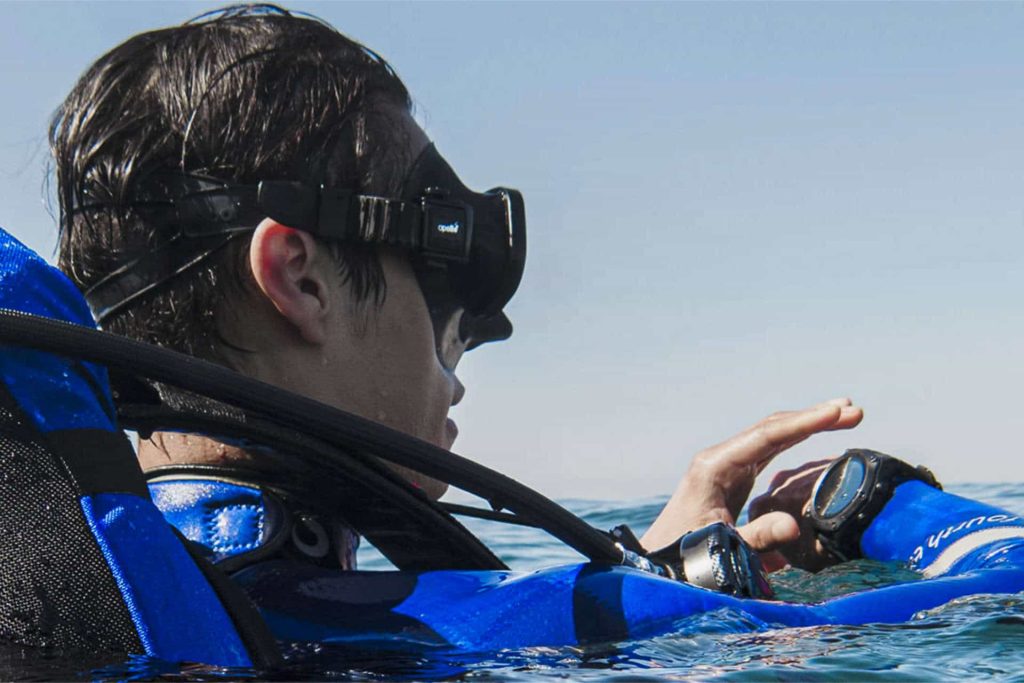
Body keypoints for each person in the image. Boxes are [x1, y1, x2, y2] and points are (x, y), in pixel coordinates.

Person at [51, 4, 861, 572]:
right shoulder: (339, 632)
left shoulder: (127, 584)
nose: (460, 359)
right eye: (441, 293)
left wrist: (651, 571)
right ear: (299, 278)